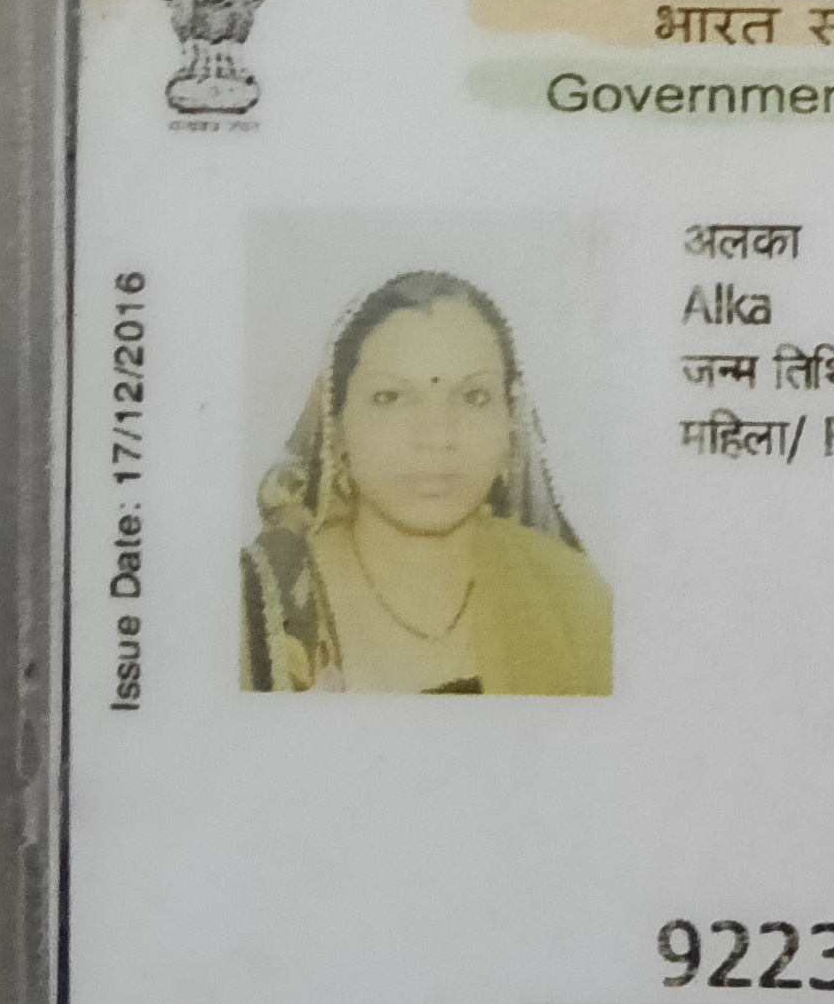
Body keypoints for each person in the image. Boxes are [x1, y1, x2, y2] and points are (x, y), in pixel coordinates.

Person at [240, 270, 611, 695]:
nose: (437, 436)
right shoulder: (259, 606)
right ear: (336, 429)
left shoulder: (570, 597)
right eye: (390, 397)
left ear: (510, 424)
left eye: (473, 397)